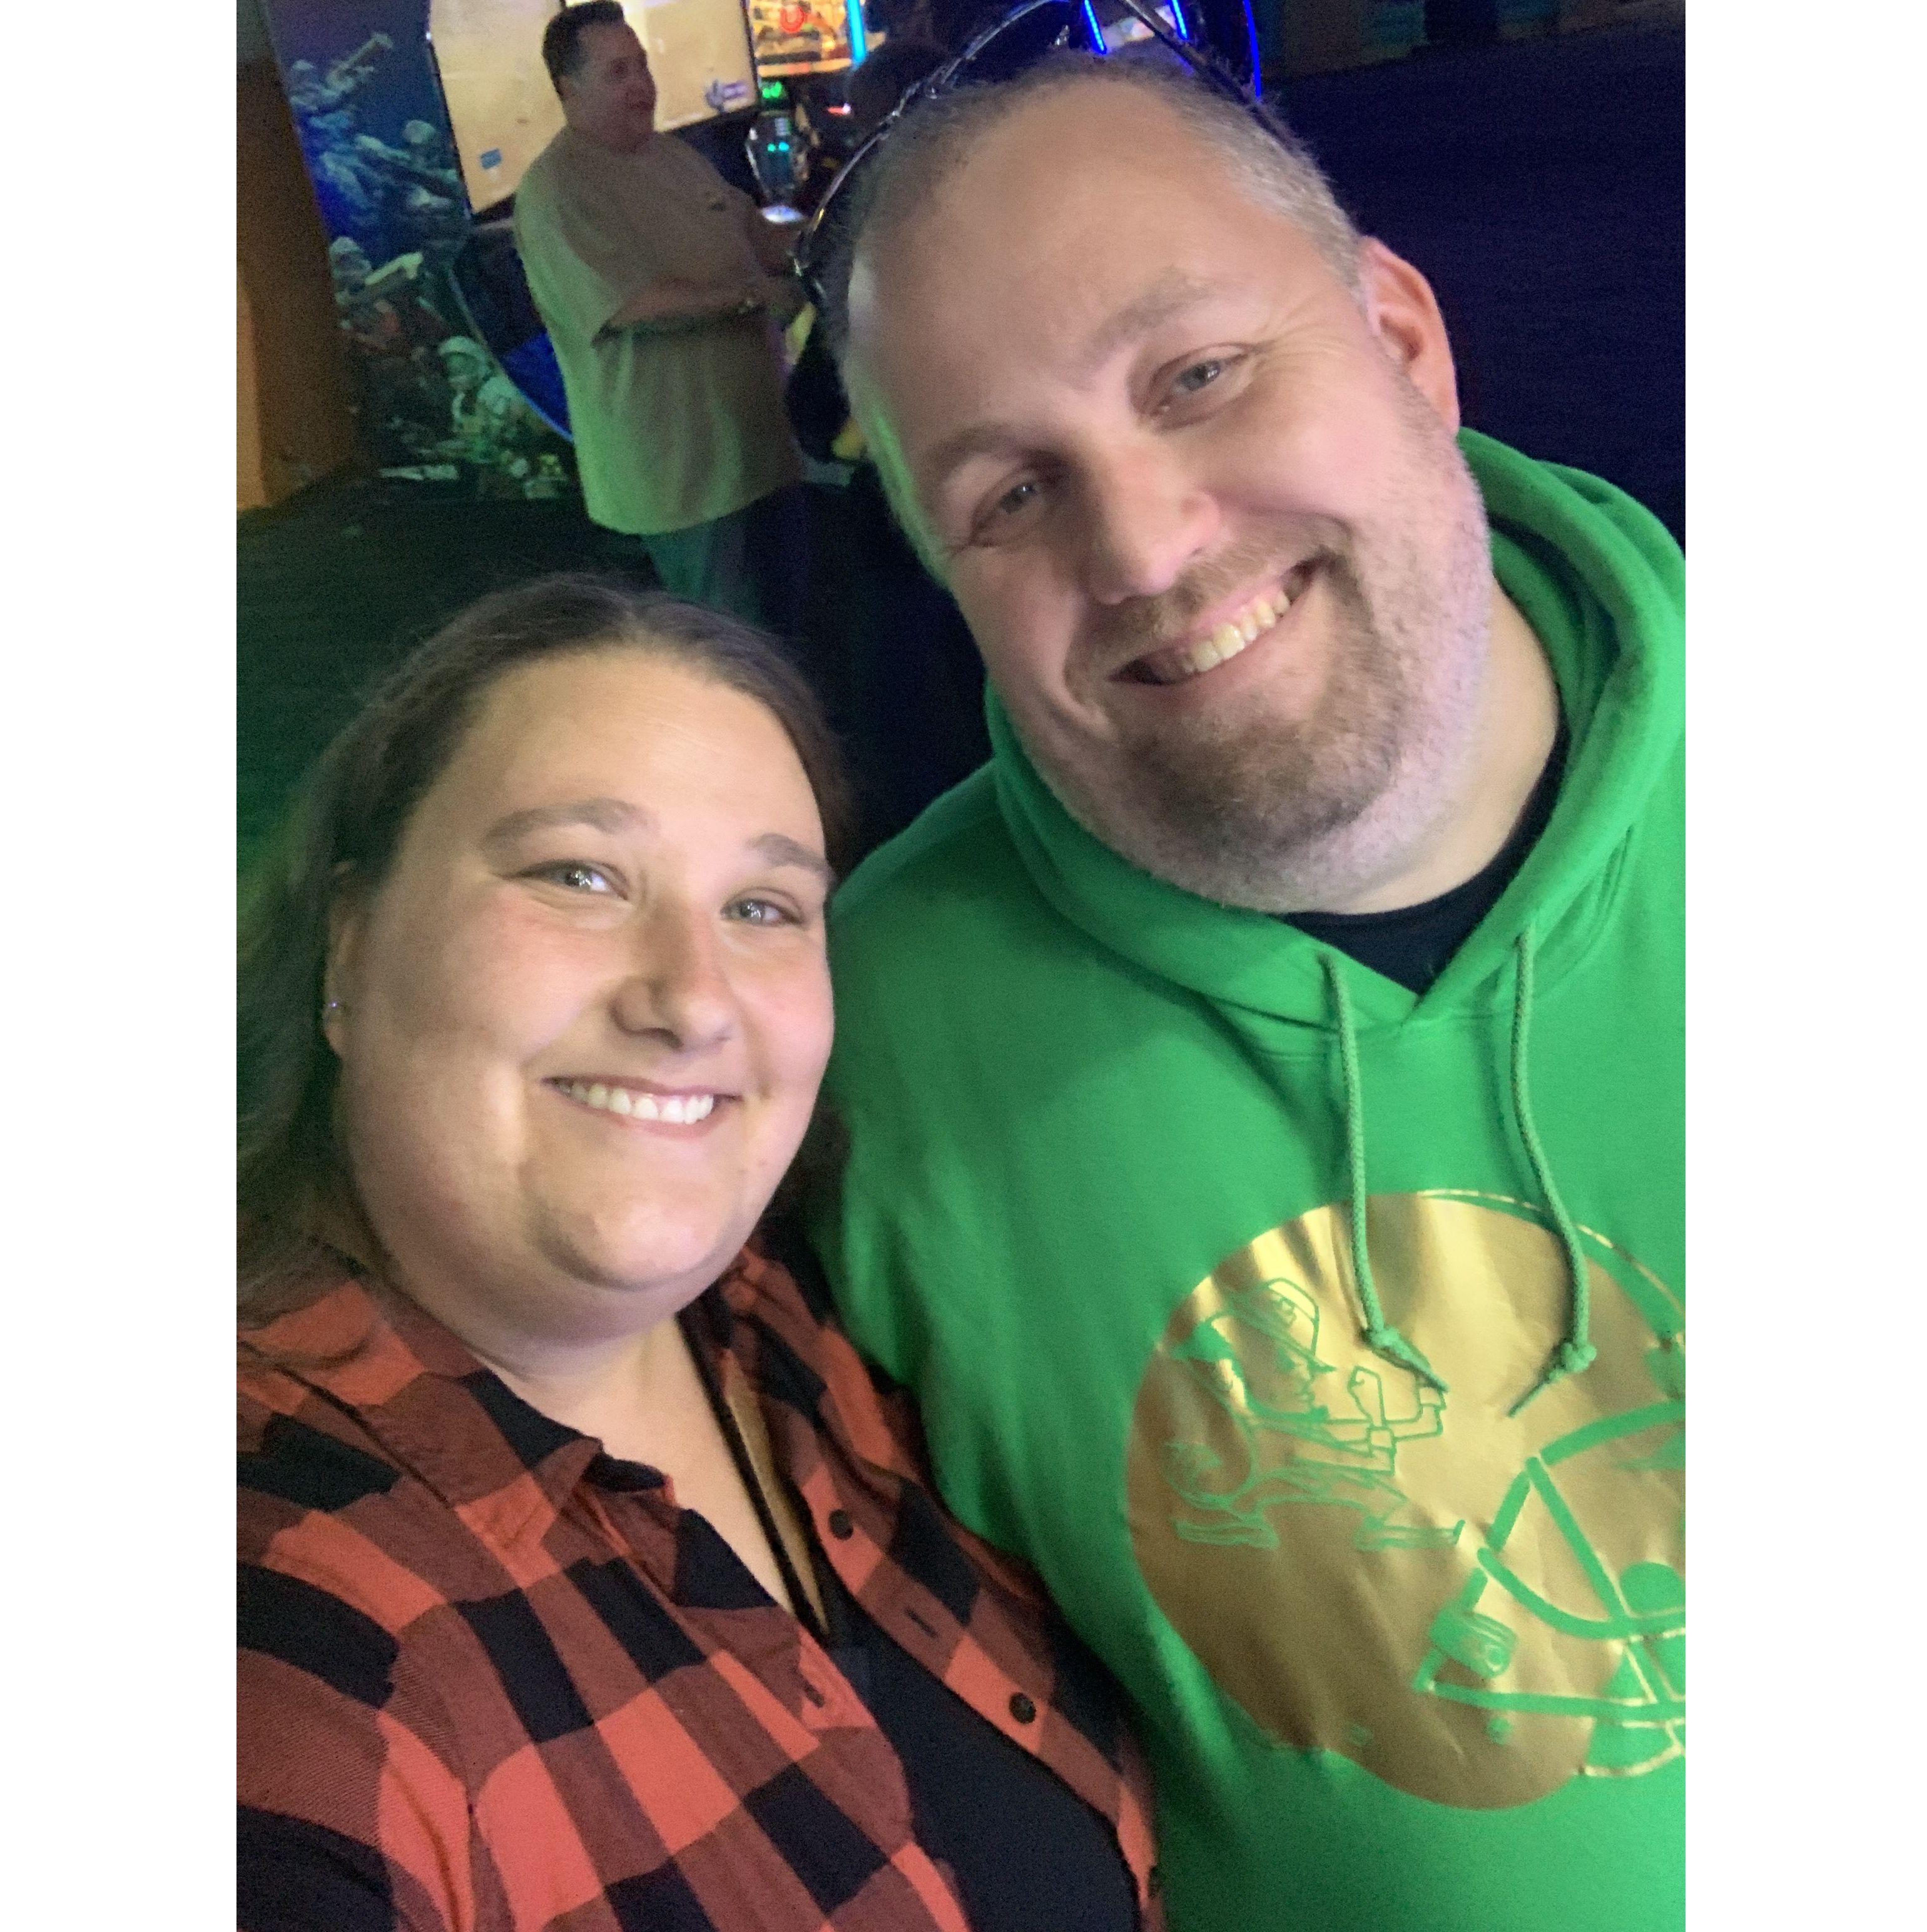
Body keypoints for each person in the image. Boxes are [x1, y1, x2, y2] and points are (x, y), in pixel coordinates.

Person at [805, 37, 1684, 1932]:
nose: (1144, 548)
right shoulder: (839, 1055)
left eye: (1197, 376)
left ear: (1402, 338)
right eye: (1009, 494)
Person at [236, 577, 1160, 1931]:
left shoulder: (790, 1322)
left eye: (765, 906)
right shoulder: (284, 1608)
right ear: (351, 938)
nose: (690, 998)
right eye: (578, 875)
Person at [514, 4, 810, 631]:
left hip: (756, 447)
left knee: (794, 622)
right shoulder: (556, 191)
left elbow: (755, 235)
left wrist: (827, 234)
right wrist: (753, 295)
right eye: (617, 72)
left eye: (642, 66)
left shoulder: (673, 156)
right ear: (568, 89)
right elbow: (635, 305)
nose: (640, 85)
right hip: (683, 480)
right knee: (730, 643)